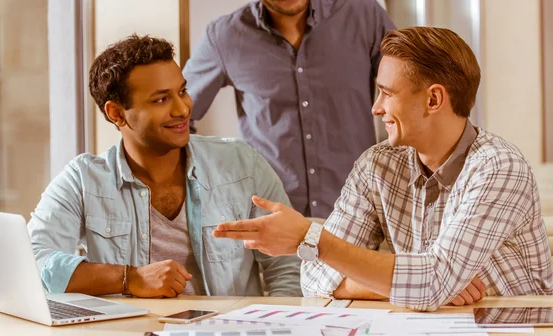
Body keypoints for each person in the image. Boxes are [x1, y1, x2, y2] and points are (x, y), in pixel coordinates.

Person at [212, 27, 553, 311]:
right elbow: (313, 277)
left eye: (387, 94)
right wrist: (401, 287)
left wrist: (309, 237)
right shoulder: (377, 166)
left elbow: (433, 283)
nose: (376, 108)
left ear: (433, 100)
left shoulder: (498, 168)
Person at [28, 35, 302, 298]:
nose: (182, 109)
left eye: (182, 91)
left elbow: (290, 268)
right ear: (117, 113)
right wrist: (130, 278)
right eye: (161, 99)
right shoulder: (83, 180)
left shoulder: (242, 164)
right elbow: (33, 259)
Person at [183, 0, 395, 218]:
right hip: (271, 222)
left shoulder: (364, 16)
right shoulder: (224, 37)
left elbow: (407, 97)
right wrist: (212, 182)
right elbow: (177, 115)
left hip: (358, 216)